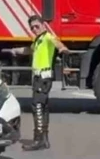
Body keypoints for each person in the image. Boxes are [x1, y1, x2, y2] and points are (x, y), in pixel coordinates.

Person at [7, 15, 69, 151]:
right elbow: (30, 50)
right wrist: (16, 50)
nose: (34, 29)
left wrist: (62, 48)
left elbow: (57, 43)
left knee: (38, 106)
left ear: (43, 25)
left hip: (43, 77)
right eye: (32, 27)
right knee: (43, 107)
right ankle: (44, 140)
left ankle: (38, 139)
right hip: (39, 78)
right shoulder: (38, 40)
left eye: (37, 26)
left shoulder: (47, 37)